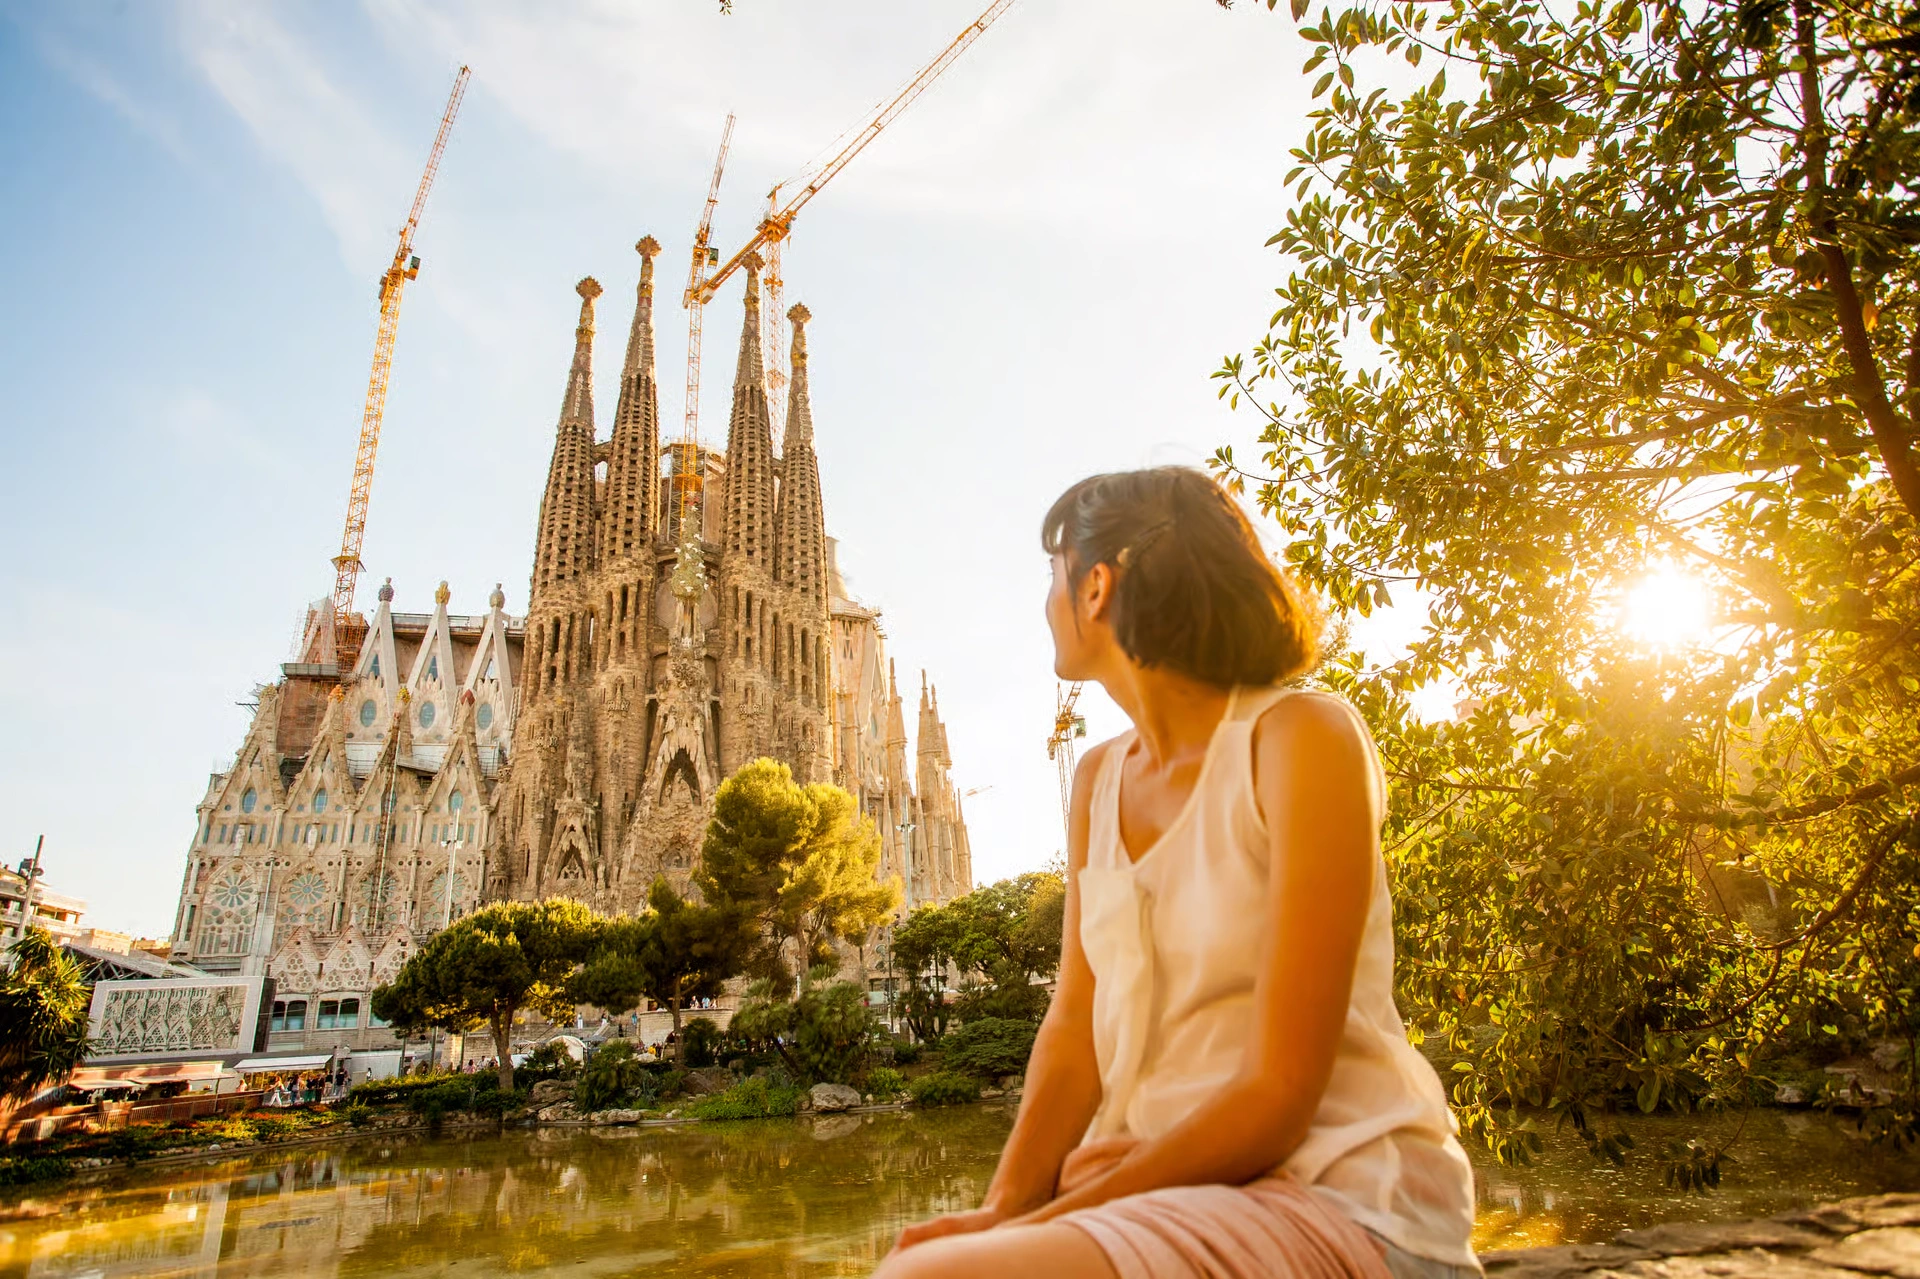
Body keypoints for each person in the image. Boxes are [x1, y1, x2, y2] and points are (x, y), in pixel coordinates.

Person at [877, 468, 1479, 1279]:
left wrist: (1066, 1211)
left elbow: (1280, 1090)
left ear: (1096, 587)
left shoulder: (1300, 738)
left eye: (1053, 576)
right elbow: (1073, 1030)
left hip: (1343, 1191)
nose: (1046, 603)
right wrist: (1002, 1210)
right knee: (938, 1258)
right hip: (1166, 1186)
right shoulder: (1097, 779)